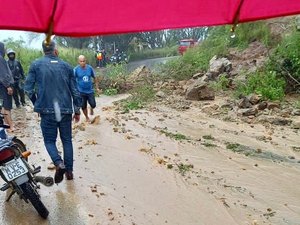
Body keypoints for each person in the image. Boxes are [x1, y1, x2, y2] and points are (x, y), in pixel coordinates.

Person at [24, 40, 82, 183]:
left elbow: (28, 89)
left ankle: (58, 163)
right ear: (55, 50)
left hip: (47, 110)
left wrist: (37, 103)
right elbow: (75, 90)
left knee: (49, 141)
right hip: (65, 110)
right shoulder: (67, 66)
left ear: (43, 50)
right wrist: (77, 110)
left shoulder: (36, 65)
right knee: (67, 140)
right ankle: (69, 172)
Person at [74, 55, 96, 122]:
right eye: (81, 61)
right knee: (83, 106)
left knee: (93, 104)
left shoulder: (89, 68)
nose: (82, 63)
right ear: (78, 62)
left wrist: (96, 87)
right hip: (81, 92)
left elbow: (94, 77)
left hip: (90, 91)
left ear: (85, 61)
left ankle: (91, 108)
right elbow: (73, 80)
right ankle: (87, 117)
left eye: (84, 61)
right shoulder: (76, 70)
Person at [0, 42, 14, 132]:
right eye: (4, 48)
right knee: (7, 106)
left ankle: (6, 125)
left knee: (2, 106)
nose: (5, 50)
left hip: (1, 86)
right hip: (4, 86)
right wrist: (8, 86)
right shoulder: (1, 59)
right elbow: (3, 74)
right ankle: (11, 126)